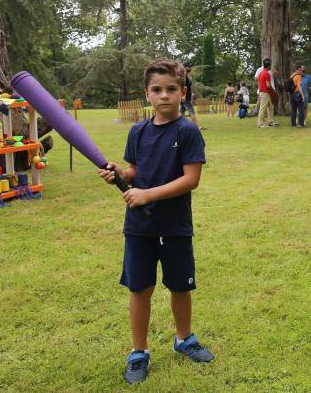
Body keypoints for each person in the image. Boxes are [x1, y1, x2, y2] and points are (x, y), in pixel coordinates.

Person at [97, 59, 214, 385]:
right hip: (140, 227)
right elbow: (135, 171)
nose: (164, 95)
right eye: (157, 89)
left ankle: (184, 339)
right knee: (140, 288)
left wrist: (147, 195)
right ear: (147, 93)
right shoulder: (138, 131)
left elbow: (191, 179)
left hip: (175, 225)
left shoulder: (187, 131)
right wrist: (119, 174)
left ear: (182, 93)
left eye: (171, 89)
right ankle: (139, 352)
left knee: (180, 286)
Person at [179, 63, 204, 130]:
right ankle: (197, 127)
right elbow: (182, 87)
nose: (190, 68)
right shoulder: (183, 76)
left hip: (186, 97)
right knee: (191, 111)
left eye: (190, 67)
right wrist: (183, 96)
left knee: (181, 112)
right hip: (185, 98)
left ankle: (179, 125)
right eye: (188, 67)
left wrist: (191, 93)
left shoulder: (185, 76)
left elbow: (188, 87)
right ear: (184, 67)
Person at [256, 58, 278, 127]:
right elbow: (268, 85)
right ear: (268, 66)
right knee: (263, 108)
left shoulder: (261, 73)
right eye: (270, 66)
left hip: (262, 92)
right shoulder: (266, 73)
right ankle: (260, 123)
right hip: (265, 92)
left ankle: (271, 121)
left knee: (270, 107)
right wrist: (273, 90)